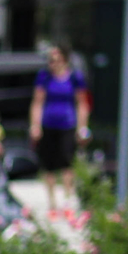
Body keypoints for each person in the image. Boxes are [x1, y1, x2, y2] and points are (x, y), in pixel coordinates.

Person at [29, 44, 92, 208]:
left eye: (56, 60)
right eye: (50, 60)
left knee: (67, 163)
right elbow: (37, 102)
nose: (53, 64)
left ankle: (68, 200)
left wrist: (82, 127)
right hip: (48, 124)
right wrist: (35, 125)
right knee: (48, 165)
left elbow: (82, 103)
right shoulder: (44, 77)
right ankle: (52, 203)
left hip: (67, 124)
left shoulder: (74, 77)